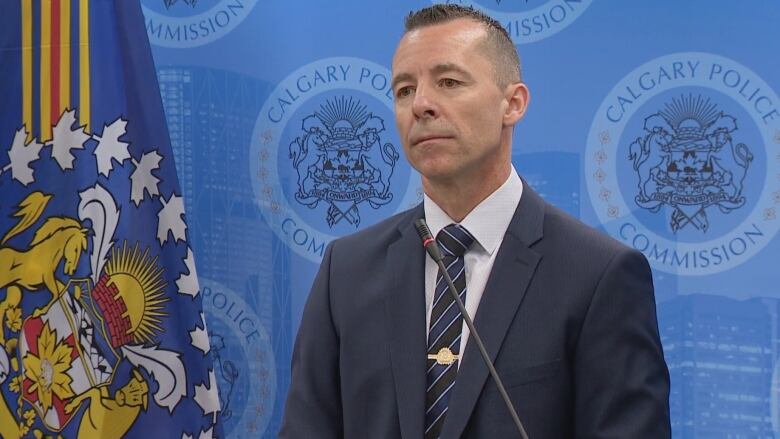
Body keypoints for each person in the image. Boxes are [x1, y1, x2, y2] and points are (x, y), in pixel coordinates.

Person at [280, 5, 671, 438]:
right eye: (404, 90)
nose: (422, 105)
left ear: (513, 103)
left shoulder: (598, 275)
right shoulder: (346, 270)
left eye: (449, 82)